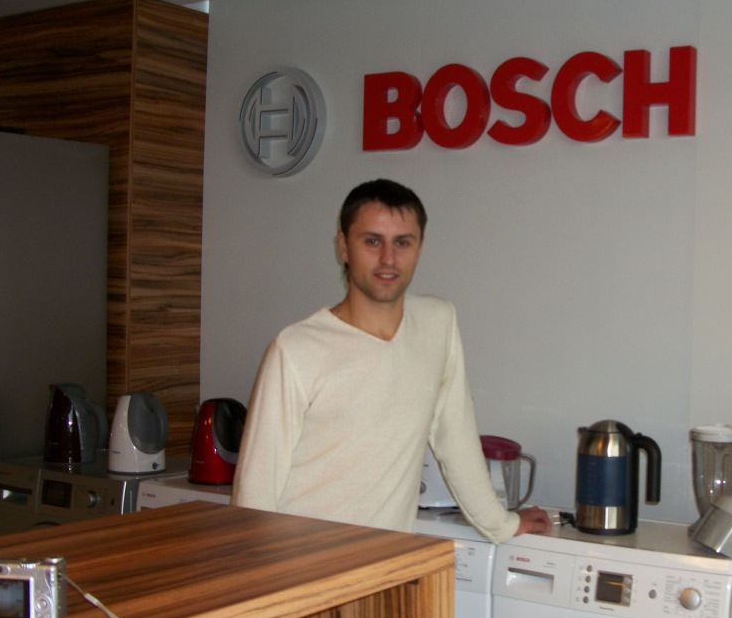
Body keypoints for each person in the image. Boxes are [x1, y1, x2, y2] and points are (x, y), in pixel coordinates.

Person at [233, 179, 552, 542]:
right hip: (304, 561)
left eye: (402, 242)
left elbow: (456, 437)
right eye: (372, 241)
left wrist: (501, 524)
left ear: (420, 248)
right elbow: (255, 489)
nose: (388, 259)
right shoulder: (297, 349)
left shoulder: (437, 323)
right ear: (343, 246)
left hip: (387, 560)